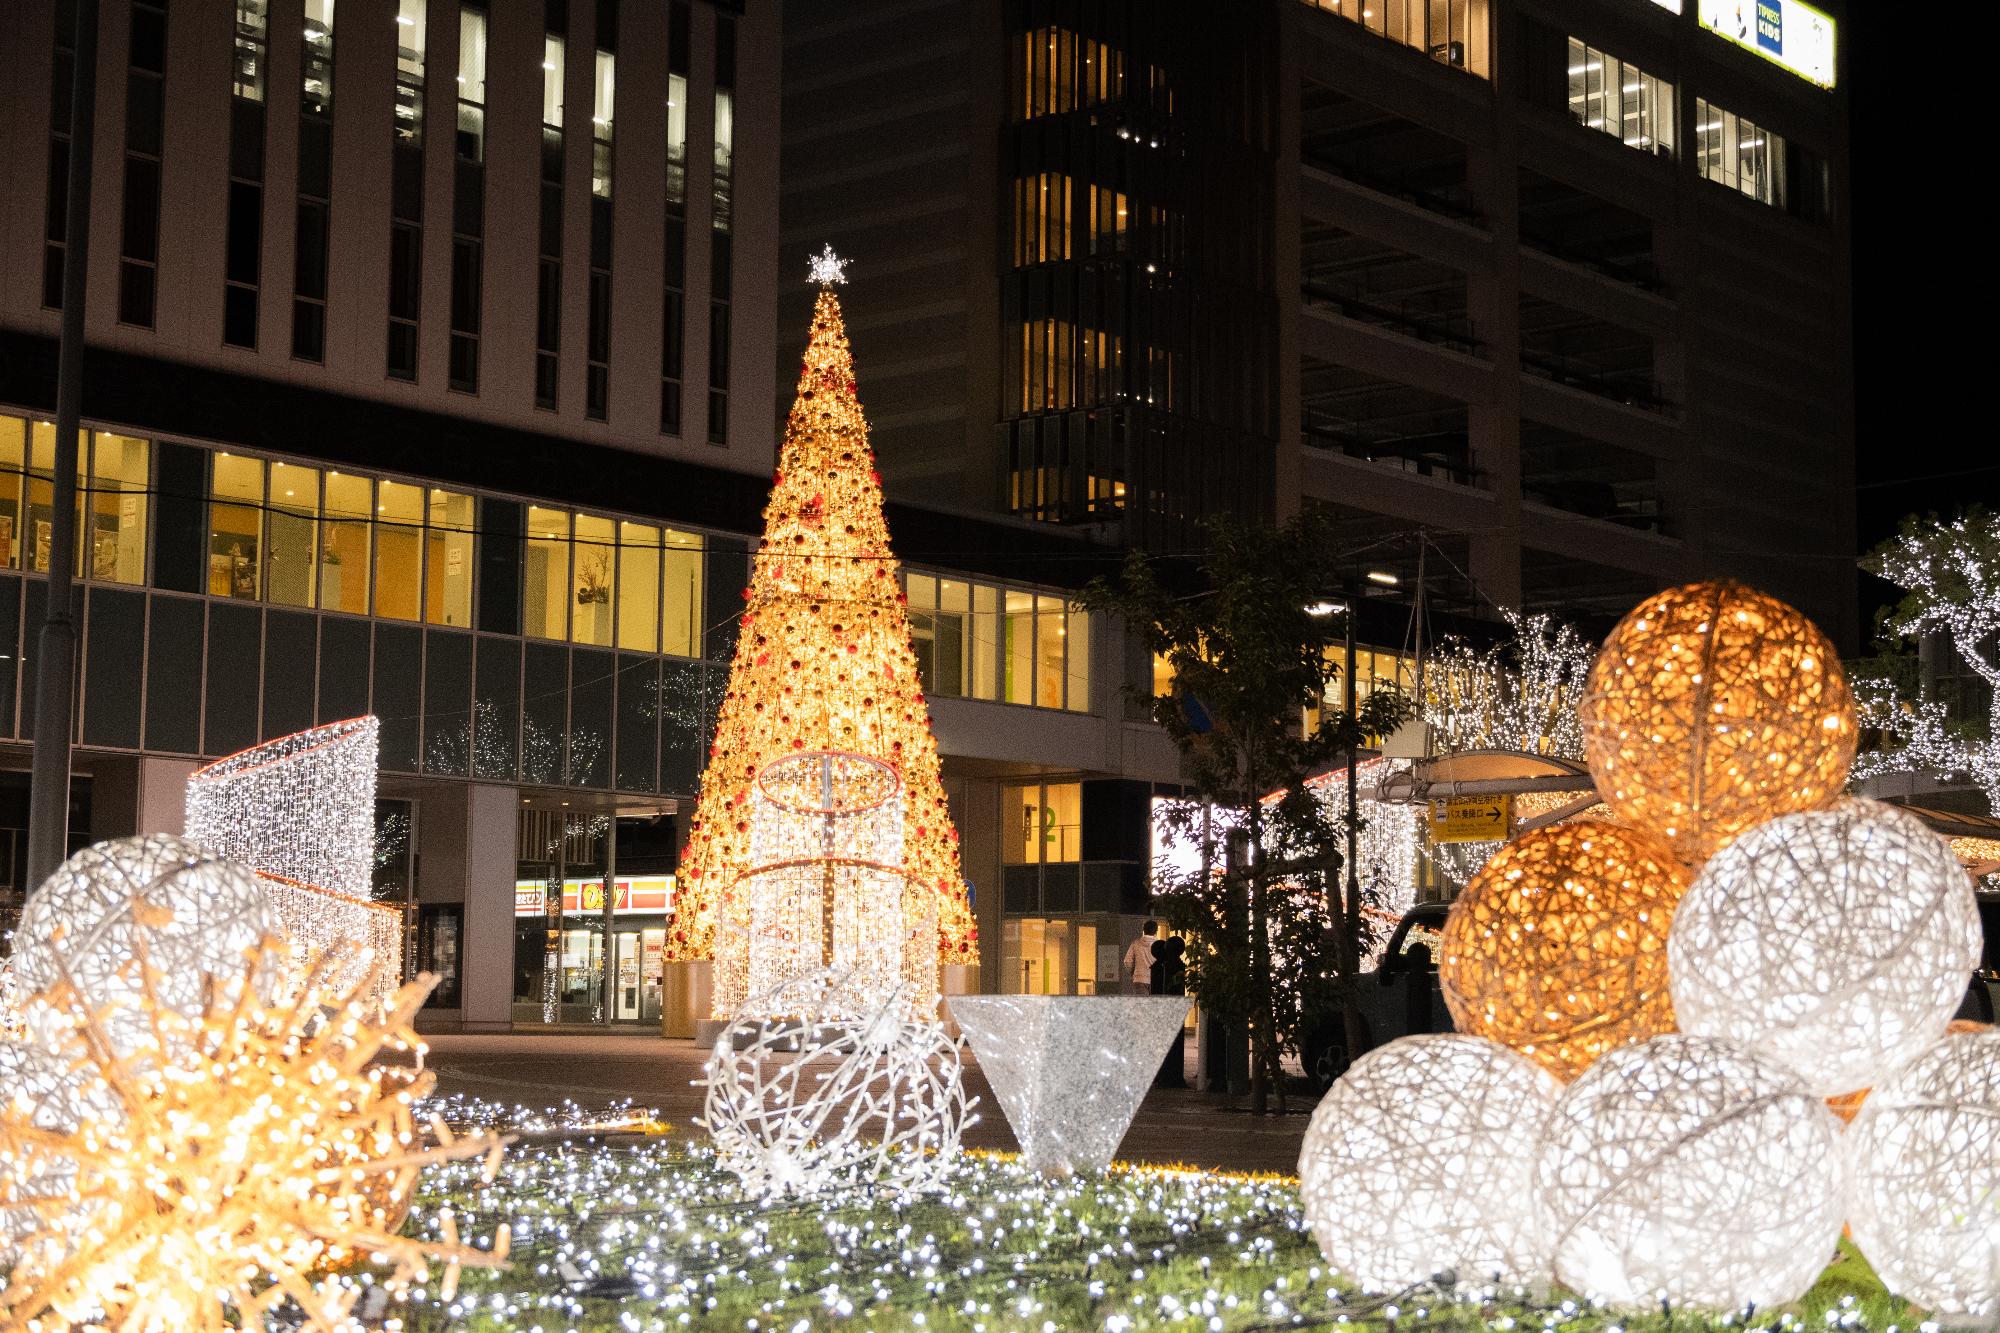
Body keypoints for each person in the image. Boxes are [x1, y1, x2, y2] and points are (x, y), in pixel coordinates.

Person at [1123, 920, 1158, 995]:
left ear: (1143, 930)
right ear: (1156, 931)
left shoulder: (1135, 943)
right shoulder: (1159, 945)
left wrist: (1132, 973)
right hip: (1155, 979)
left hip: (1139, 979)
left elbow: (1127, 961)